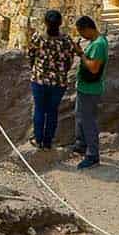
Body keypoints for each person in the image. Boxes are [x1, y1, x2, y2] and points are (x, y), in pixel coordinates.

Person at [24, 10, 78, 150]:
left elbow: (30, 55)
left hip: (40, 80)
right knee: (52, 110)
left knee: (40, 109)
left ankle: (38, 139)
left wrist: (36, 69)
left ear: (45, 23)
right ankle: (48, 141)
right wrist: (62, 72)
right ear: (60, 23)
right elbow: (69, 60)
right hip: (59, 82)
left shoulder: (38, 37)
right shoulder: (66, 40)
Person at [70, 16, 108, 169]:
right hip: (84, 87)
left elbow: (94, 67)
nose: (82, 36)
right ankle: (81, 144)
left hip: (91, 89)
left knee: (88, 121)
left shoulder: (98, 45)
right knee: (80, 116)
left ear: (88, 29)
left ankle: (92, 154)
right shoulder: (96, 42)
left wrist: (81, 54)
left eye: (81, 32)